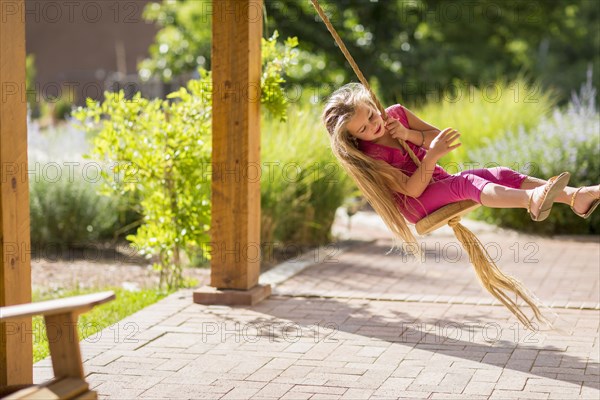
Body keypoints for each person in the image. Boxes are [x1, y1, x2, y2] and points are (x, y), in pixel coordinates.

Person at [322, 83, 600, 247]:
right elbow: (412, 189)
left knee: (499, 173)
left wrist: (409, 136)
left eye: (371, 115)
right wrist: (430, 157)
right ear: (354, 138)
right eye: (364, 128)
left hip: (437, 180)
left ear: (372, 104)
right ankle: (532, 200)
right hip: (418, 202)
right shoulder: (370, 157)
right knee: (466, 184)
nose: (374, 124)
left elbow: (436, 137)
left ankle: (577, 197)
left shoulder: (396, 114)